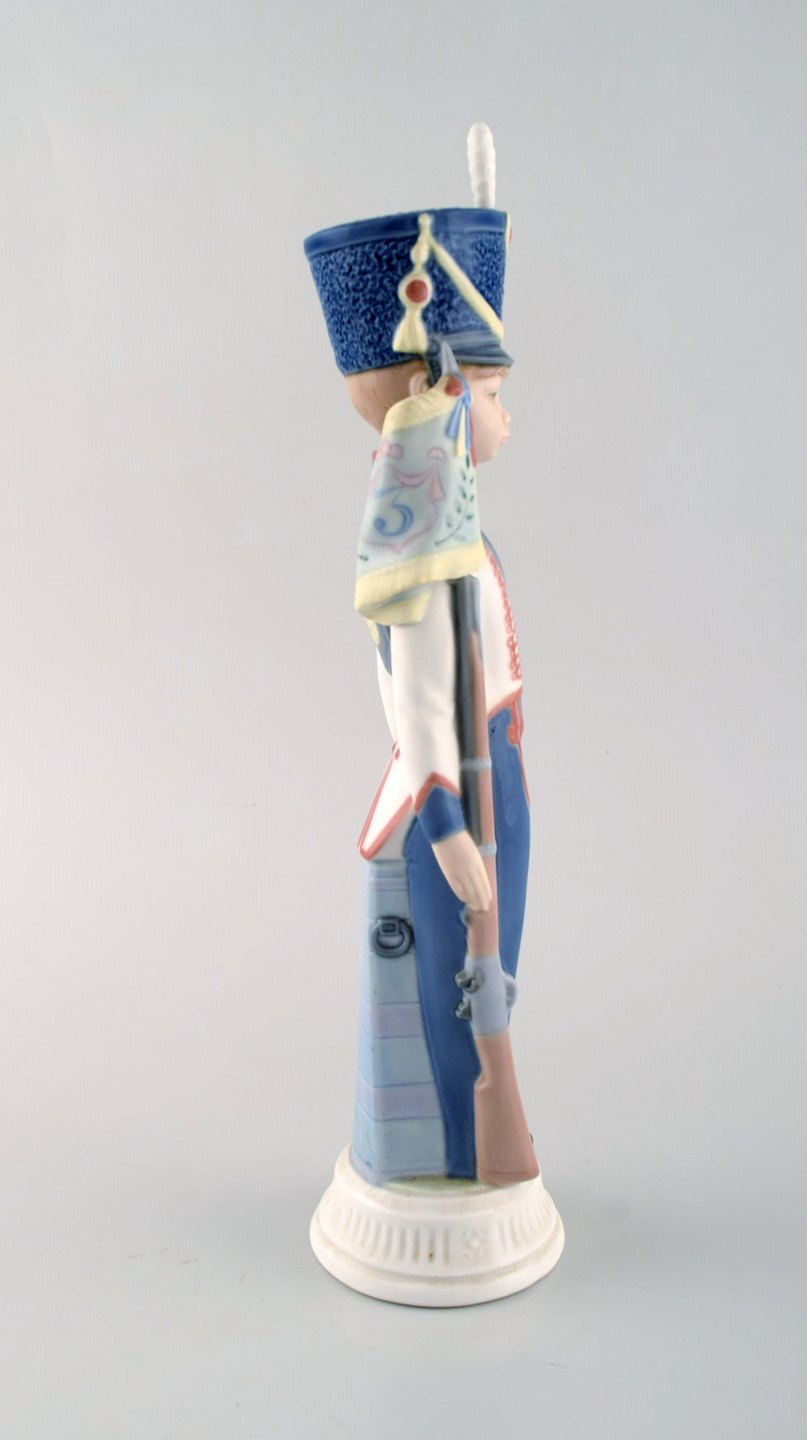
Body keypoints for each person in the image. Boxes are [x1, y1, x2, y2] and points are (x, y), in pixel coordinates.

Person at [305, 206, 535, 1183]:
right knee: (464, 988)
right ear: (439, 393)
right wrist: (447, 828)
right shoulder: (426, 546)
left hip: (495, 769)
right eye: (491, 392)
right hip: (461, 794)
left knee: (492, 978)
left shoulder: (449, 524)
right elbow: (421, 703)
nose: (506, 414)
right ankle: (456, 1150)